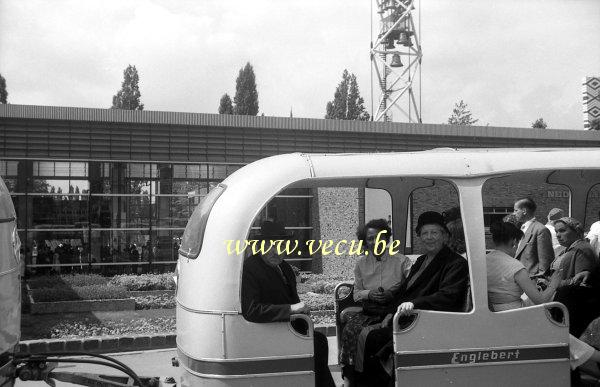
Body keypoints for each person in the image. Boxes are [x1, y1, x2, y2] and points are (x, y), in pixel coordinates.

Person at [359, 211, 469, 386]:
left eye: (434, 232)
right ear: (419, 237)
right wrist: (390, 312)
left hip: (432, 320)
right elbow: (403, 291)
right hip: (408, 317)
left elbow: (448, 296)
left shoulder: (455, 264)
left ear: (445, 236)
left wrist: (414, 303)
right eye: (425, 233)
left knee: (374, 339)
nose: (429, 237)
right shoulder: (421, 261)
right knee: (368, 336)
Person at [486, 221, 600, 378]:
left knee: (567, 343)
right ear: (514, 241)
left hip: (497, 314)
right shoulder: (515, 266)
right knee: (564, 339)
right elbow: (540, 300)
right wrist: (554, 283)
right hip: (517, 316)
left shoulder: (485, 260)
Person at [241, 220, 335, 387]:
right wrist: (290, 309)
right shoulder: (250, 268)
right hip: (267, 331)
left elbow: (293, 300)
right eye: (272, 246)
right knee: (317, 343)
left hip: (287, 327)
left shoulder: (284, 267)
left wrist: (301, 312)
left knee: (319, 341)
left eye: (282, 246)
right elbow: (251, 310)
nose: (278, 252)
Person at [339, 219, 411, 386]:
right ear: (366, 241)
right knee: (350, 331)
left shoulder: (402, 261)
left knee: (371, 338)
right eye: (370, 238)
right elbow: (356, 294)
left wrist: (392, 295)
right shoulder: (360, 263)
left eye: (379, 237)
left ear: (386, 239)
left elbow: (411, 290)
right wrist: (369, 294)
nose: (375, 241)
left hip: (393, 310)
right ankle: (351, 378)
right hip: (369, 311)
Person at [551, 217, 600, 337]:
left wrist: (553, 284)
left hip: (569, 308)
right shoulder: (568, 249)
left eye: (562, 231)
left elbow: (579, 283)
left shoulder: (583, 249)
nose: (558, 235)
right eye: (556, 231)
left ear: (576, 231)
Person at [513, 197, 554, 276]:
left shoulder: (540, 230)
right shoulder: (520, 228)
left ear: (524, 211)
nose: (514, 213)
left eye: (516, 210)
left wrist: (539, 281)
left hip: (531, 280)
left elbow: (545, 261)